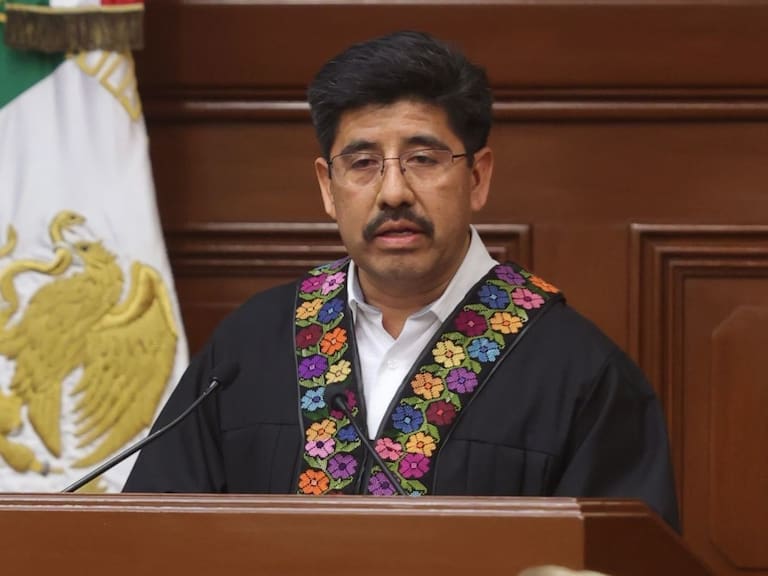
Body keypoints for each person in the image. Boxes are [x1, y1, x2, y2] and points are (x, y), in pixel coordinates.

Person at [123, 30, 679, 531]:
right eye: (363, 163)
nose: (393, 192)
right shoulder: (250, 347)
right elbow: (153, 538)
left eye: (422, 158)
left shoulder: (578, 372)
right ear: (327, 186)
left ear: (477, 178)